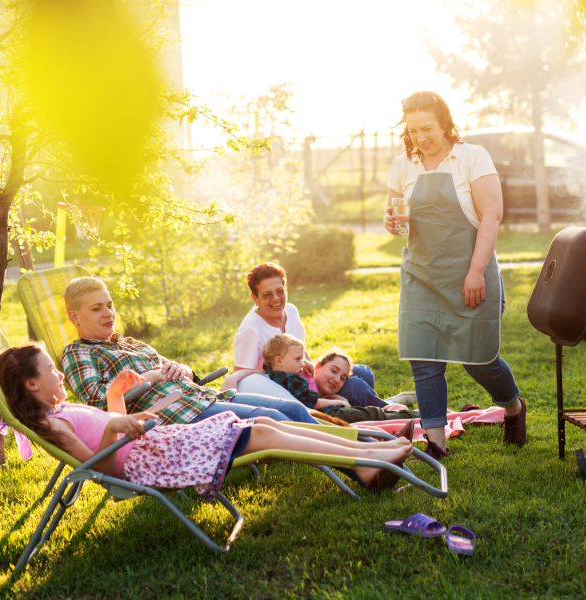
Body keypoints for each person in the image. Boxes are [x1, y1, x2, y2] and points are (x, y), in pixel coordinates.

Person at [0, 342, 414, 494]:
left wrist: (114, 399)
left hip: (157, 445)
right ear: (31, 385)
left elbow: (114, 430)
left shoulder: (62, 410)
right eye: (50, 369)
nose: (58, 373)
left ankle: (366, 453)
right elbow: (103, 467)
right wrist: (113, 428)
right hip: (154, 462)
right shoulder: (51, 425)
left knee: (265, 426)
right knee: (264, 436)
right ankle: (365, 461)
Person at [384, 91, 525, 458]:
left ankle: (513, 407)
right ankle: (436, 444)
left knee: (478, 359)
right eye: (413, 130)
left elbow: (491, 216)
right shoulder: (402, 166)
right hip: (421, 276)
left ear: (445, 123)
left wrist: (476, 272)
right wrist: (392, 222)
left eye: (427, 128)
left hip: (468, 273)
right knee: (424, 358)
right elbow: (398, 224)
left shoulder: (472, 157)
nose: (420, 138)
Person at [57, 276, 321, 426]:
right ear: (75, 317)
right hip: (177, 413)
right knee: (272, 418)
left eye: (110, 305)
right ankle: (355, 459)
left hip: (203, 396)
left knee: (293, 410)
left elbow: (187, 374)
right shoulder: (78, 353)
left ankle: (356, 448)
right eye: (96, 308)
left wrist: (179, 369)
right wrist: (155, 375)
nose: (108, 313)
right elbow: (99, 402)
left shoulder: (131, 343)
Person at [224, 263, 389, 406]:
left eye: (279, 291)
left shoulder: (290, 311)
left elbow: (299, 349)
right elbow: (243, 380)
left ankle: (362, 404)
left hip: (304, 377)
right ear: (255, 299)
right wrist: (314, 394)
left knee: (364, 372)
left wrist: (306, 363)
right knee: (356, 387)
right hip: (288, 389)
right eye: (267, 295)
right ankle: (388, 409)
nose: (276, 299)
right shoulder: (250, 330)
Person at [262, 334, 419, 424]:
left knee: (366, 384)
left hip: (332, 412)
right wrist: (338, 402)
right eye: (298, 359)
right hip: (333, 415)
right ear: (279, 361)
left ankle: (409, 413)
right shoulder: (291, 379)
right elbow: (313, 402)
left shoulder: (278, 374)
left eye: (343, 377)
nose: (302, 363)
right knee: (373, 413)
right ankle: (414, 416)